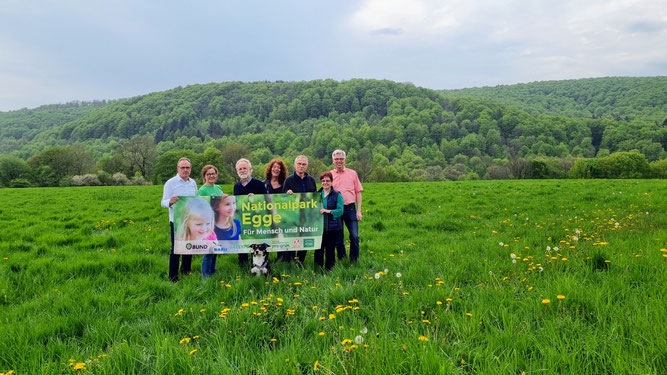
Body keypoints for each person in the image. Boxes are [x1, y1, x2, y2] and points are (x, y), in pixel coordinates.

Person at [161, 157, 198, 282]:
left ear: (190, 169)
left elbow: (196, 199)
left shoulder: (193, 183)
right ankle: (173, 276)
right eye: (183, 168)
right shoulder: (170, 183)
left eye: (187, 168)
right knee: (176, 248)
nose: (185, 170)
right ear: (178, 169)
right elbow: (163, 202)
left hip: (191, 220)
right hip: (177, 221)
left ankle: (186, 271)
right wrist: (170, 202)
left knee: (189, 246)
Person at [282, 155, 317, 264]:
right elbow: (282, 199)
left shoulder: (311, 180)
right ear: (295, 165)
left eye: (304, 164)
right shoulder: (288, 180)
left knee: (304, 238)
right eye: (299, 164)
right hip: (293, 216)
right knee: (292, 238)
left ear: (307, 166)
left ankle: (300, 261)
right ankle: (290, 261)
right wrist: (287, 194)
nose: (301, 166)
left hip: (306, 216)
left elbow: (314, 197)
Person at [330, 149, 363, 263]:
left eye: (341, 159)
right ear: (333, 161)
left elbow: (358, 192)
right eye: (336, 159)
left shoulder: (352, 173)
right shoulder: (330, 175)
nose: (339, 161)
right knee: (339, 239)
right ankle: (342, 259)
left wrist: (359, 211)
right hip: (336, 210)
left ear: (345, 160)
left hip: (350, 208)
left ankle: (354, 260)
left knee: (354, 236)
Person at [233, 158, 267, 266]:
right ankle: (243, 265)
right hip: (243, 220)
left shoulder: (259, 184)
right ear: (237, 171)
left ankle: (261, 266)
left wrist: (256, 199)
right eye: (240, 169)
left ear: (250, 169)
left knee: (257, 243)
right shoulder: (236, 186)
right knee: (242, 243)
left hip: (257, 220)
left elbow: (266, 202)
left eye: (245, 168)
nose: (243, 171)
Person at [315, 171, 344, 271]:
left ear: (331, 182)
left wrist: (329, 211)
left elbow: (340, 211)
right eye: (323, 181)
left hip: (333, 227)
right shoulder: (317, 194)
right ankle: (318, 269)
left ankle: (329, 270)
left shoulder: (337, 195)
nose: (325, 183)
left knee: (330, 250)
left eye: (327, 180)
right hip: (319, 227)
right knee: (319, 249)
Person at [198, 164, 223, 277]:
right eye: (209, 174)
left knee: (215, 249)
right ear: (204, 176)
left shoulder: (218, 188)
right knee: (208, 251)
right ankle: (205, 276)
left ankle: (213, 271)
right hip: (208, 224)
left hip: (218, 223)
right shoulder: (202, 190)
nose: (211, 176)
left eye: (213, 173)